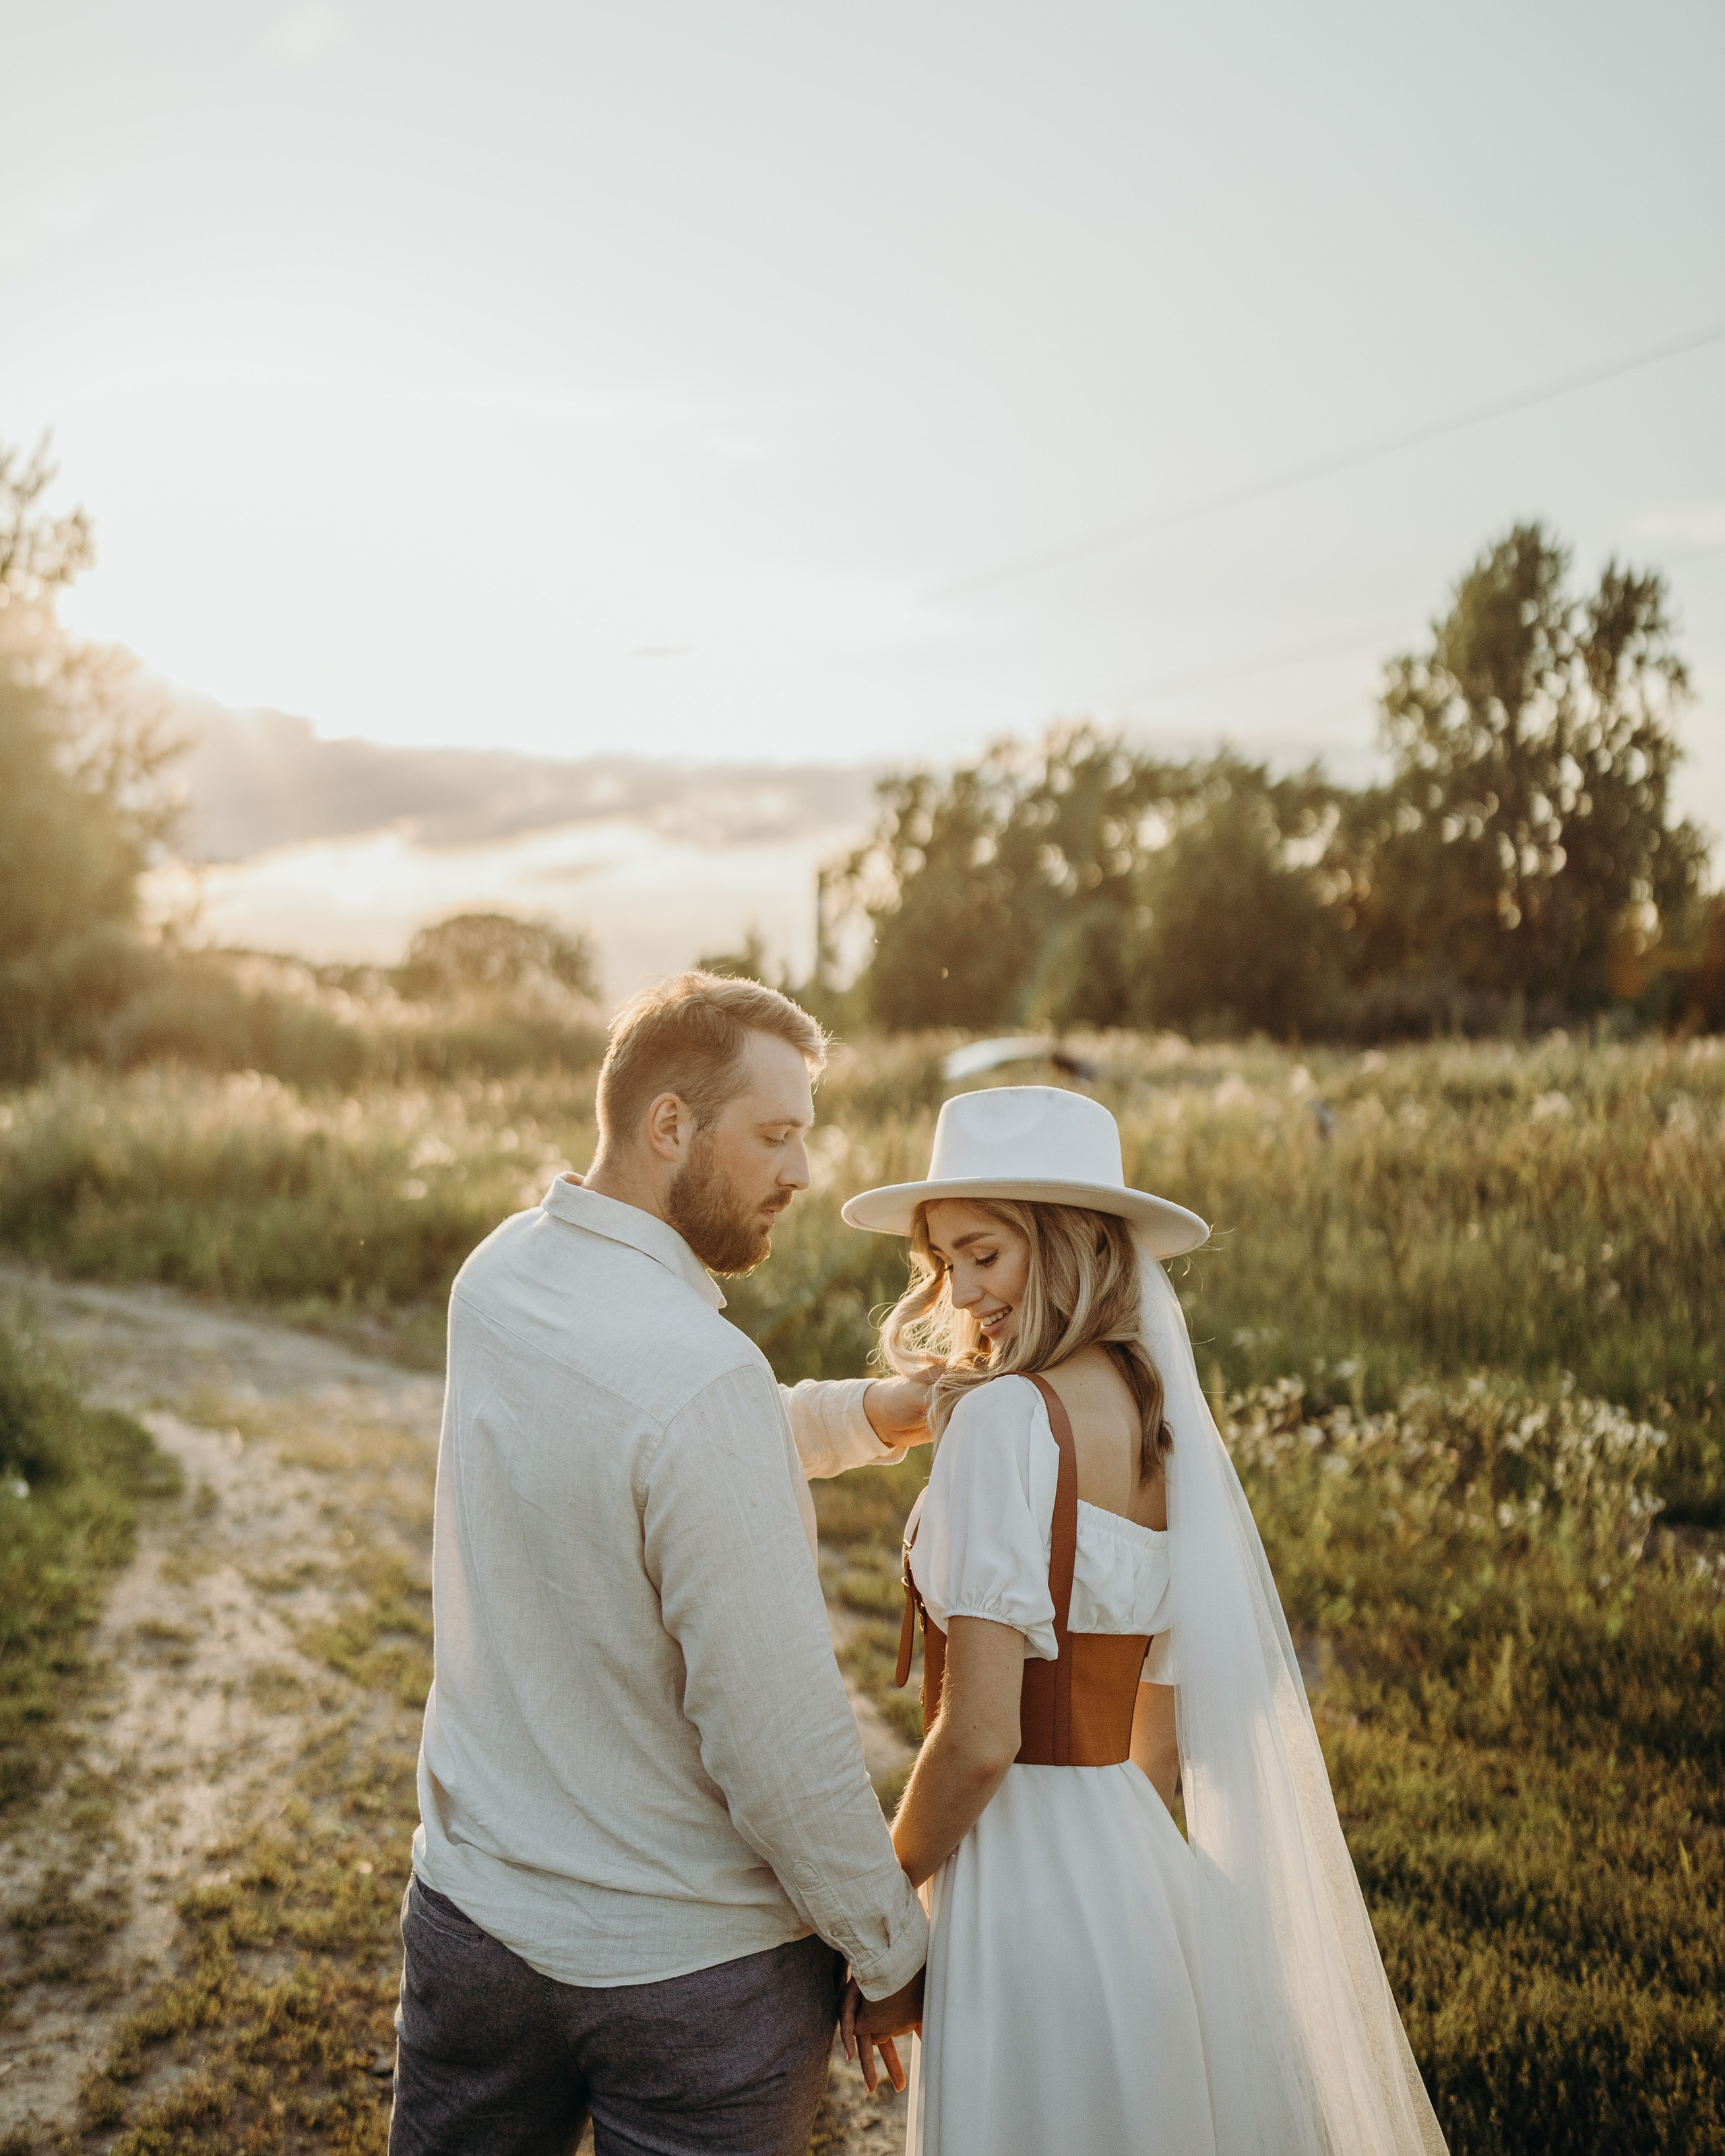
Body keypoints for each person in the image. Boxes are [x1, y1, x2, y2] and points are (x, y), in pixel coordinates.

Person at [838, 1085, 1449, 2156]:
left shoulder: (1001, 1423)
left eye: (985, 1254)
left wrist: (879, 1923)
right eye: (942, 1264)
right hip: (1136, 1886)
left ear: (1069, 1242)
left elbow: (981, 1740)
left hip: (1019, 1897)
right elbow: (1157, 1736)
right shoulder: (1158, 1422)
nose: (962, 1294)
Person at [392, 973, 928, 2156]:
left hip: (473, 1930)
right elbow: (778, 1744)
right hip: (694, 1988)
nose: (802, 1174)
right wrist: (887, 1949)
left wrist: (871, 1414)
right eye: (777, 1136)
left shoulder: (499, 1279)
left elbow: (630, 1446)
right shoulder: (701, 1379)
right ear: (670, 1126)